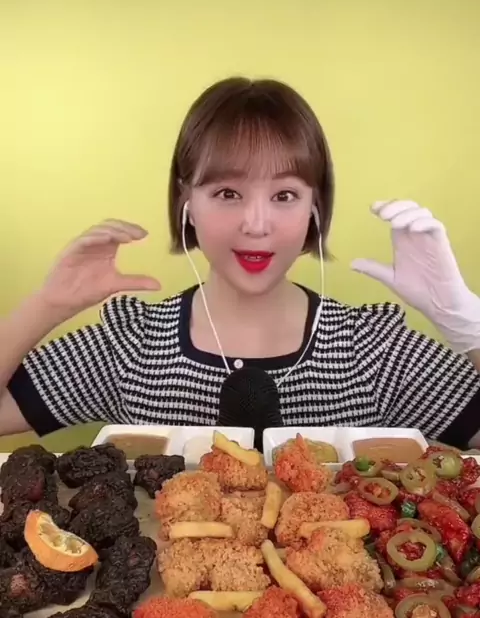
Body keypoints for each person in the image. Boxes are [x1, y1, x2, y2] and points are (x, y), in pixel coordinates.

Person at [1, 76, 480, 448]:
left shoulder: (371, 348)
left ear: (314, 209)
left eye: (284, 195)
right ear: (187, 203)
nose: (256, 224)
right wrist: (48, 304)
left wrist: (464, 321)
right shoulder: (133, 343)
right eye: (228, 193)